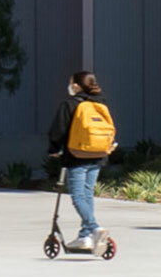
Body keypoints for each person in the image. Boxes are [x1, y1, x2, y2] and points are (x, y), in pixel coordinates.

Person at [45, 69, 116, 248]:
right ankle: (85, 236)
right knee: (87, 195)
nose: (69, 85)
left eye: (71, 82)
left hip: (77, 156)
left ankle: (94, 227)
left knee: (77, 196)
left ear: (76, 85)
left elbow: (58, 131)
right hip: (98, 155)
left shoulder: (70, 104)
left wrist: (53, 149)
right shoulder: (101, 103)